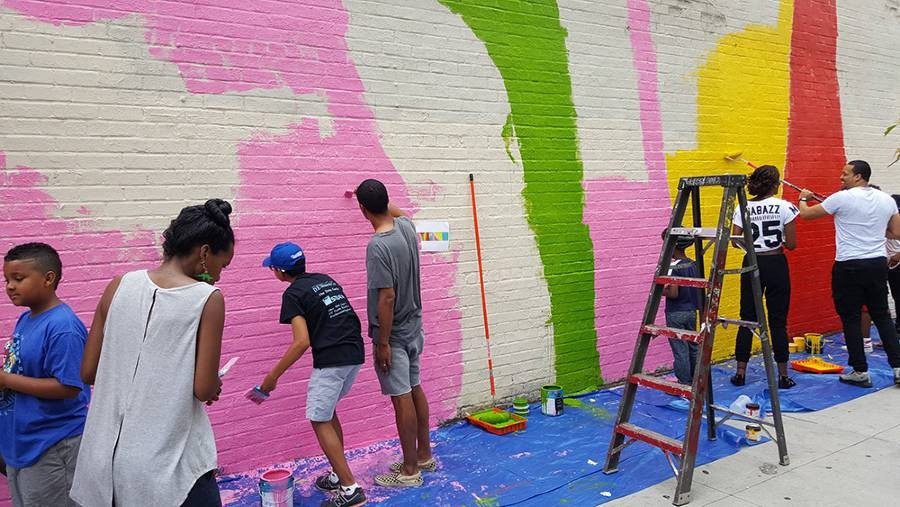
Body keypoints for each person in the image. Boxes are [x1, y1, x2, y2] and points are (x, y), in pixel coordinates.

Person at [70, 199, 234, 506]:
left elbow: (88, 372)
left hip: (102, 460)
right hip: (166, 465)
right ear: (204, 252)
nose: (219, 275)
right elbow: (202, 389)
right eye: (222, 265)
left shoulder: (119, 285)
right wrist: (214, 384)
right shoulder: (207, 298)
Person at [255, 242, 366, 507]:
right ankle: (339, 476)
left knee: (318, 419)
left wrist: (272, 377)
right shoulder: (323, 279)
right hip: (354, 353)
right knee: (328, 414)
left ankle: (351, 490)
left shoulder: (293, 294)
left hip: (331, 360)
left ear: (280, 271)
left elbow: (301, 341)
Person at [356, 179, 434, 488]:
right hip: (415, 327)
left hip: (396, 334)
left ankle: (410, 470)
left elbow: (385, 297)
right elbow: (393, 210)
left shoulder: (378, 246)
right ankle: (424, 454)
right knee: (415, 388)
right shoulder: (406, 227)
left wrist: (382, 342)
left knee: (401, 399)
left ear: (363, 210)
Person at [0, 243, 89, 507]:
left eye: (19, 278)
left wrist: (6, 380)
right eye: (7, 279)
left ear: (49, 279)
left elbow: (69, 387)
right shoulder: (26, 319)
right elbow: (21, 369)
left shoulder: (63, 327)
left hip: (52, 444)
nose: (10, 286)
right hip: (22, 443)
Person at [797, 161, 900, 387]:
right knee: (882, 315)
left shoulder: (840, 198)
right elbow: (896, 233)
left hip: (849, 265)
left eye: (845, 174)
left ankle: (860, 371)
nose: (841, 177)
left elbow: (805, 215)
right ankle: (898, 368)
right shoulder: (887, 200)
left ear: (859, 176)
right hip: (876, 264)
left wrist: (803, 197)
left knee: (851, 318)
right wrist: (869, 226)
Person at [729, 165, 798, 389]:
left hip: (752, 261)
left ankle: (740, 372)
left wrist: (751, 247)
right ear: (775, 184)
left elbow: (734, 238)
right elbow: (792, 244)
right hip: (776, 261)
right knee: (778, 320)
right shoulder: (786, 207)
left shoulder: (743, 207)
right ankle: (783, 375)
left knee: (747, 317)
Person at [661, 233, 702, 385]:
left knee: (680, 350)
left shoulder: (673, 266)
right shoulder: (693, 264)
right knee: (693, 346)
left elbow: (673, 293)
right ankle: (696, 379)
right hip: (691, 311)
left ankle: (684, 382)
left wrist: (661, 288)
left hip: (676, 311)